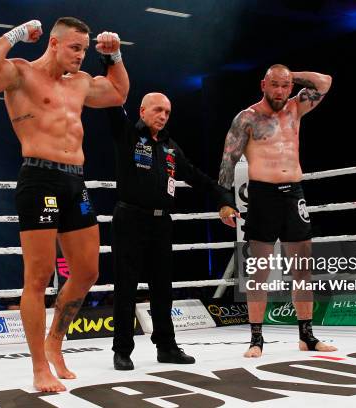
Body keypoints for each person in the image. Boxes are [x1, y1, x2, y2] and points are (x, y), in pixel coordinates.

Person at [0, 17, 129, 391]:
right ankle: (39, 367)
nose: (80, 55)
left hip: (76, 180)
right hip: (40, 178)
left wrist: (115, 55)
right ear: (54, 44)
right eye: (75, 48)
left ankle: (54, 342)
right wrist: (17, 34)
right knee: (38, 277)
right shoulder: (21, 74)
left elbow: (119, 94)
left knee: (88, 271)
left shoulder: (80, 83)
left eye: (85, 49)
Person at [106, 92, 238, 370]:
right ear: (142, 111)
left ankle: (166, 347)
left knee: (163, 288)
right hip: (129, 219)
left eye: (167, 112)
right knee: (126, 288)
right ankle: (122, 350)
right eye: (157, 110)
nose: (163, 116)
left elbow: (195, 176)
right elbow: (112, 105)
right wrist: (110, 60)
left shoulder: (170, 147)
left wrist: (225, 200)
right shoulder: (128, 135)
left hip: (161, 223)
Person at [218, 64, 337, 357]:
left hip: (293, 194)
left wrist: (289, 75)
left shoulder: (296, 108)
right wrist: (224, 201)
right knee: (259, 271)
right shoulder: (247, 118)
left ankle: (306, 336)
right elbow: (228, 161)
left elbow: (325, 81)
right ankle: (256, 339)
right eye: (275, 85)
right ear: (263, 85)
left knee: (302, 270)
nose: (281, 91)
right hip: (262, 196)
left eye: (285, 86)